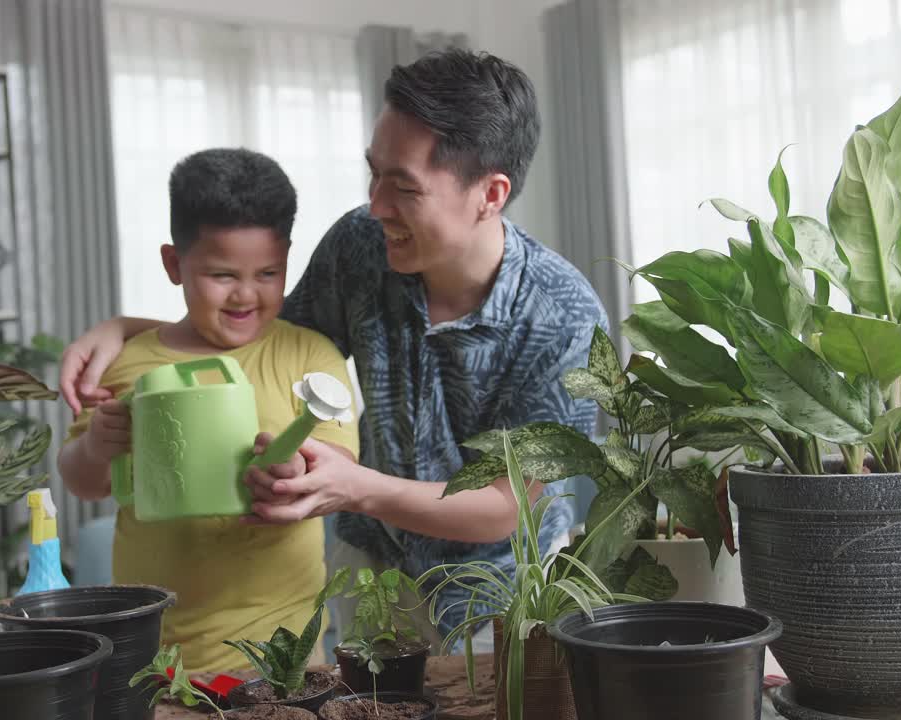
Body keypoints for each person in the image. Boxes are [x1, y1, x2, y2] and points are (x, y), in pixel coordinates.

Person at [60, 49, 607, 651]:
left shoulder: (564, 318)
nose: (376, 205)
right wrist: (126, 328)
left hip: (498, 591)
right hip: (371, 567)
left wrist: (356, 487)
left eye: (403, 187)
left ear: (490, 193)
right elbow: (256, 333)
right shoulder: (359, 245)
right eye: (373, 174)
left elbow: (508, 507)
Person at [58, 148, 358, 672]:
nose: (246, 294)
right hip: (151, 651)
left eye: (268, 273)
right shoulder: (126, 360)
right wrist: (96, 446)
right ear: (175, 265)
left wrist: (301, 473)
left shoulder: (311, 354)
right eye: (222, 275)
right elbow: (84, 482)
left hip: (282, 651)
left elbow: (341, 470)